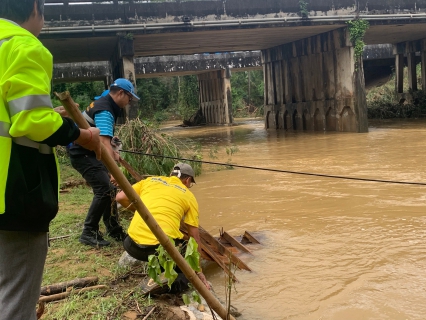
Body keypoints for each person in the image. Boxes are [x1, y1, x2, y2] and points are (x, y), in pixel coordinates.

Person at [0, 1, 102, 319]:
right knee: (15, 302)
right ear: (34, 9)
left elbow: (14, 111)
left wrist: (53, 118)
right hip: (13, 196)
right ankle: (91, 231)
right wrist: (81, 135)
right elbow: (31, 121)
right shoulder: (23, 45)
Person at [116, 163, 210, 293]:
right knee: (186, 270)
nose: (189, 186)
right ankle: (161, 283)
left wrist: (143, 214)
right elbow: (194, 237)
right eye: (190, 184)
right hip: (158, 250)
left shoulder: (150, 181)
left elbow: (120, 197)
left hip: (131, 245)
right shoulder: (189, 196)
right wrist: (198, 270)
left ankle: (158, 273)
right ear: (187, 180)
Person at [69, 79, 140, 247]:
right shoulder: (105, 110)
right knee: (104, 189)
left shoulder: (104, 101)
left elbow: (103, 140)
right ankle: (88, 232)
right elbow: (104, 145)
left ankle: (114, 229)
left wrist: (112, 145)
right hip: (82, 154)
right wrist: (113, 171)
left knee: (109, 190)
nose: (129, 102)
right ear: (121, 93)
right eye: (129, 98)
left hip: (89, 151)